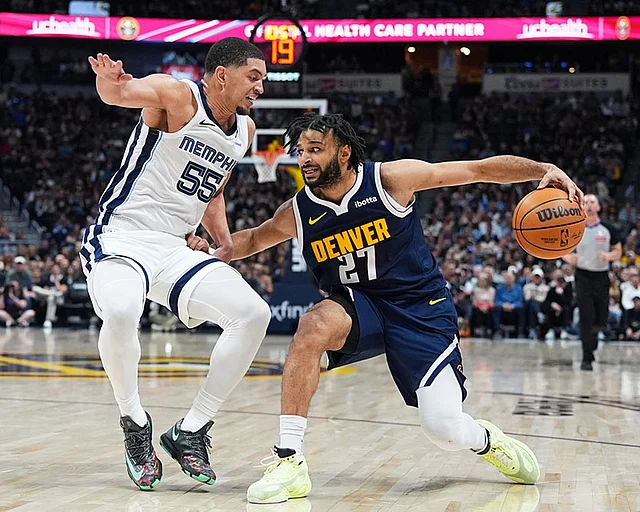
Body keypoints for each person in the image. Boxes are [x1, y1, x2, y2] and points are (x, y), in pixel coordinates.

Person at [220, 113, 582, 503]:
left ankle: (486, 440)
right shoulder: (299, 210)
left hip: (419, 307)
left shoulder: (390, 180)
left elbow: (477, 169)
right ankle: (289, 459)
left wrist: (542, 169)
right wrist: (212, 248)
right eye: (302, 151)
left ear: (343, 153)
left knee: (443, 430)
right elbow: (254, 238)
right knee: (312, 326)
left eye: (315, 150)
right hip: (359, 306)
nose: (305, 158)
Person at [83, 37, 271, 491]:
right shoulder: (177, 95)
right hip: (122, 235)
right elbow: (122, 95)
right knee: (124, 311)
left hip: (174, 247)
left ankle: (191, 429)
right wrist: (108, 82)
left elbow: (214, 189)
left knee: (253, 315)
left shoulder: (244, 131)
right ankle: (133, 422)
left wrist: (223, 242)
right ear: (222, 75)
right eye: (254, 77)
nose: (260, 88)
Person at [563, 194, 622, 371]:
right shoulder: (575, 228)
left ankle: (595, 337)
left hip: (601, 276)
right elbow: (561, 247)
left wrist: (609, 256)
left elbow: (618, 251)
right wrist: (568, 258)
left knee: (601, 317)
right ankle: (586, 357)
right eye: (585, 202)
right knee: (586, 316)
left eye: (592, 202)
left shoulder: (608, 228)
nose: (588, 205)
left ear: (598, 207)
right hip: (582, 276)